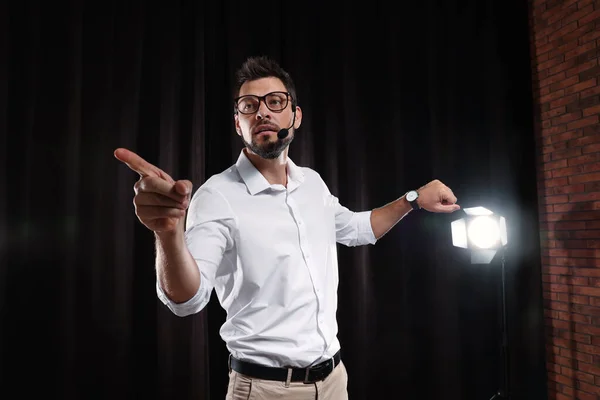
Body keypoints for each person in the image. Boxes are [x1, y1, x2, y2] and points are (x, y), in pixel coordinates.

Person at [114, 55, 460, 400]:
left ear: (295, 116)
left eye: (275, 102)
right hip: (266, 390)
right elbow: (188, 300)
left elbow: (355, 228)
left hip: (334, 382)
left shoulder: (311, 183)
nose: (262, 112)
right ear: (238, 123)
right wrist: (168, 232)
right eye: (249, 106)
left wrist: (413, 199)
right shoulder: (216, 196)